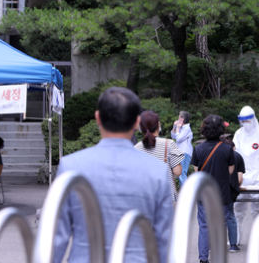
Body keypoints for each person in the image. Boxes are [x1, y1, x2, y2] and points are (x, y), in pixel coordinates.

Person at [53, 87, 173, 263]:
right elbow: (165, 239)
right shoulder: (157, 171)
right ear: (136, 123)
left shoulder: (70, 166)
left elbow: (56, 238)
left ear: (98, 118)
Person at [191, 115, 235, 263]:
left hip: (204, 194)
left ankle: (203, 258)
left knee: (204, 226)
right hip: (222, 194)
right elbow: (230, 171)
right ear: (221, 130)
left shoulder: (198, 149)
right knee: (221, 227)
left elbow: (196, 172)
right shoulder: (227, 149)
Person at [232, 105, 259, 245]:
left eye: (248, 120)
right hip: (241, 176)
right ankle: (235, 237)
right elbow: (235, 154)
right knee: (238, 208)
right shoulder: (238, 134)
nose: (245, 124)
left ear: (253, 119)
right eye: (243, 121)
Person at [136, 110, 184, 202]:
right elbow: (177, 172)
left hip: (145, 198)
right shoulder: (168, 144)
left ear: (140, 128)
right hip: (167, 197)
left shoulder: (135, 149)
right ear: (158, 125)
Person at [220, 137, 245, 253]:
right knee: (230, 215)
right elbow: (240, 178)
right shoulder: (237, 156)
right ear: (233, 147)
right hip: (231, 190)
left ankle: (215, 244)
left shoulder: (218, 155)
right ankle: (233, 245)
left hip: (217, 189)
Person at [171, 110, 193, 186]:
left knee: (182, 173)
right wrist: (175, 127)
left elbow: (178, 139)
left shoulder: (187, 128)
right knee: (180, 174)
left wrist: (177, 128)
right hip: (180, 152)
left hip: (185, 153)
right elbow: (173, 136)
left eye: (179, 116)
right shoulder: (181, 127)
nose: (178, 118)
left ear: (182, 118)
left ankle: (186, 193)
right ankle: (184, 193)